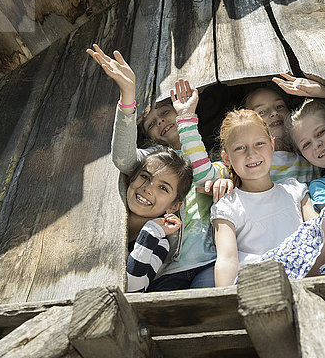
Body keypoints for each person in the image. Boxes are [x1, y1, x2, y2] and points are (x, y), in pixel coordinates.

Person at [87, 44, 224, 291]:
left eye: (164, 112)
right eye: (150, 123)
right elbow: (123, 158)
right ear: (150, 137)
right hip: (167, 267)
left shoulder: (213, 161)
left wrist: (185, 118)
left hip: (208, 260)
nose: (159, 120)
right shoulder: (154, 159)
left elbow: (202, 174)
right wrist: (127, 97)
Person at [211, 109, 325, 285]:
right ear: (227, 158)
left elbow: (318, 228)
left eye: (259, 144)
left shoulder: (293, 189)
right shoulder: (227, 205)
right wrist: (226, 299)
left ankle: (302, 279)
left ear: (272, 146)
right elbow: (227, 259)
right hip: (262, 277)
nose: (251, 154)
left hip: (305, 265)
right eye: (240, 148)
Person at [126, 148, 193, 292]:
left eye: (163, 188)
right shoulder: (105, 209)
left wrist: (149, 233)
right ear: (133, 176)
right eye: (145, 176)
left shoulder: (159, 244)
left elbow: (133, 290)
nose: (148, 189)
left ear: (174, 206)